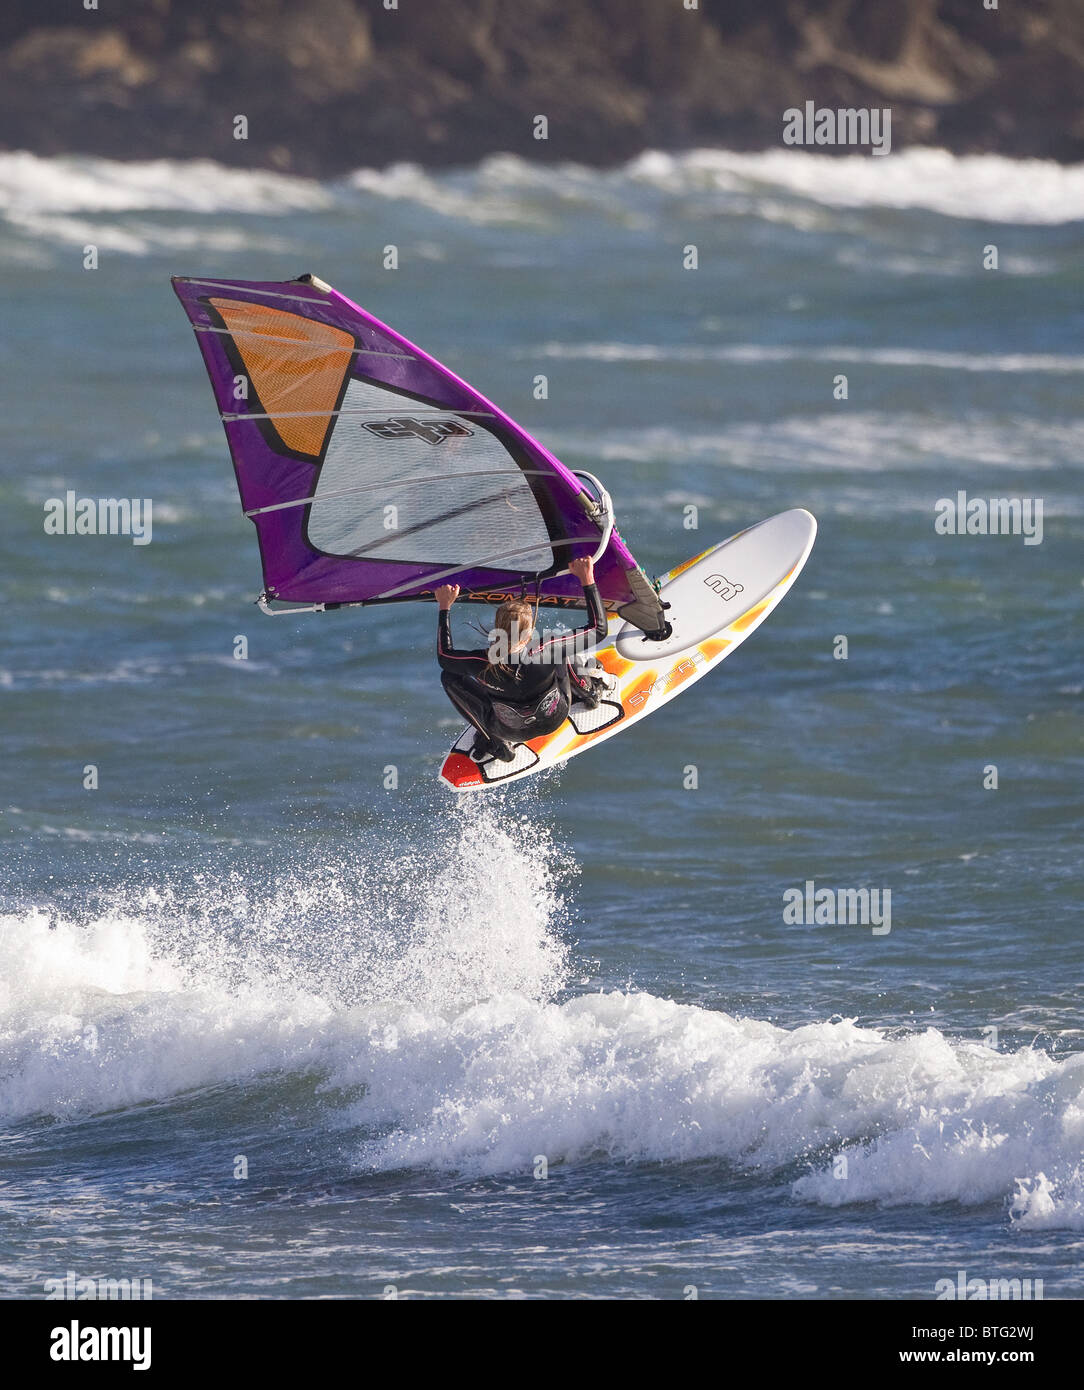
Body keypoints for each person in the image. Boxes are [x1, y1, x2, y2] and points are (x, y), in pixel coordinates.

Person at [436, 556, 613, 763]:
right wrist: (587, 578)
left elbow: (444, 656)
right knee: (564, 646)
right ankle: (589, 691)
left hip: (508, 730)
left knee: (448, 676)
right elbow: (597, 630)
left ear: (497, 630)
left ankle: (496, 742)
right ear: (528, 636)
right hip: (555, 717)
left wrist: (444, 606)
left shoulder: (481, 661)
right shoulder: (546, 648)